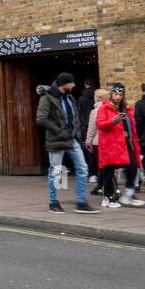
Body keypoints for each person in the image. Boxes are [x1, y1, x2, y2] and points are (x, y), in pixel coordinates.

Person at [35, 73, 97, 214]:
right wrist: (59, 131)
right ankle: (53, 202)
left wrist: (78, 133)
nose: (74, 85)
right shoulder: (47, 98)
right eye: (71, 82)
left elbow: (75, 117)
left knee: (82, 168)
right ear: (63, 84)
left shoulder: (69, 97)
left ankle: (81, 202)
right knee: (56, 171)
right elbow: (41, 119)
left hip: (72, 138)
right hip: (57, 139)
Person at [97, 83, 145, 208]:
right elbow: (100, 124)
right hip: (111, 144)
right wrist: (114, 120)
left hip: (126, 143)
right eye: (115, 94)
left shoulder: (126, 109)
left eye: (120, 94)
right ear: (111, 94)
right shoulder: (105, 108)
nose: (117, 97)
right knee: (109, 169)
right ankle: (107, 198)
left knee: (133, 166)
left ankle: (128, 195)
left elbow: (132, 127)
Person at [83, 87, 108, 197]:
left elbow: (92, 129)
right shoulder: (110, 109)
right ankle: (101, 186)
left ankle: (101, 186)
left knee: (101, 166)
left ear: (97, 98)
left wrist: (88, 142)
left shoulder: (95, 111)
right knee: (106, 165)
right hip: (108, 142)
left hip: (97, 142)